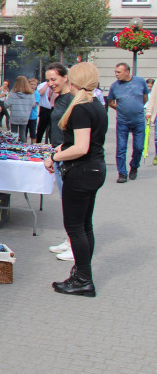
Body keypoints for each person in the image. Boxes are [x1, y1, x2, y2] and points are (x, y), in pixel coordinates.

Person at [43, 62, 107, 297]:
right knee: (84, 226)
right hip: (93, 170)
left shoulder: (81, 107)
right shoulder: (95, 104)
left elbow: (80, 147)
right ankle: (82, 274)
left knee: (76, 228)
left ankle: (83, 279)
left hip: (82, 172)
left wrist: (55, 156)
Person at [43, 63, 76, 260]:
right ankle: (70, 239)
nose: (50, 84)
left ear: (65, 77)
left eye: (53, 79)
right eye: (48, 80)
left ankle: (74, 243)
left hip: (65, 155)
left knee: (70, 202)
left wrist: (58, 154)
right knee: (66, 201)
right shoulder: (61, 97)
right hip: (58, 154)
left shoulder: (71, 99)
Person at [107, 62, 149, 182]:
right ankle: (122, 173)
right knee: (121, 148)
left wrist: (138, 108)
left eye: (119, 72)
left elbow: (145, 97)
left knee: (139, 147)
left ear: (127, 72)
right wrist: (121, 109)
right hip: (122, 122)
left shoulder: (140, 82)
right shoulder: (114, 86)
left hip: (139, 121)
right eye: (115, 72)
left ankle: (134, 166)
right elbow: (110, 102)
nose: (116, 74)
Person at [7, 76, 36, 142]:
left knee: (13, 133)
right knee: (23, 133)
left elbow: (7, 104)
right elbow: (33, 104)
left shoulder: (12, 94)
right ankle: (23, 147)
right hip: (25, 116)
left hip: (14, 116)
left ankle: (12, 147)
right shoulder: (31, 94)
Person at [35, 78, 53, 143]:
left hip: (53, 109)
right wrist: (47, 85)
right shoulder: (42, 85)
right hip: (44, 109)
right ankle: (38, 142)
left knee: (52, 129)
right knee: (41, 128)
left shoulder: (56, 85)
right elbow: (40, 93)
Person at [27, 77, 41, 142]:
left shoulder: (36, 93)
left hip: (33, 116)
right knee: (24, 133)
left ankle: (33, 145)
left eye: (34, 84)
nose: (33, 86)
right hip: (25, 116)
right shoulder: (26, 93)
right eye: (31, 84)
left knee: (33, 133)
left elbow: (34, 104)